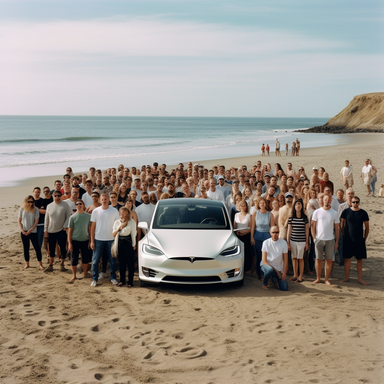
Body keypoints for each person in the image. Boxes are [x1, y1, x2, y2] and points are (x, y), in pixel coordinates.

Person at [90, 193, 120, 287]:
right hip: (98, 239)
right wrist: (91, 241)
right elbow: (92, 227)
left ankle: (113, 277)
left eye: (106, 199)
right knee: (95, 261)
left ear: (108, 199)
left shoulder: (114, 211)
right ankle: (95, 278)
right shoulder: (95, 211)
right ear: (100, 200)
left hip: (111, 239)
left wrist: (116, 239)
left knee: (112, 260)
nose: (104, 200)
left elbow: (117, 226)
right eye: (102, 199)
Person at [340, 196, 369, 285]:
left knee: (359, 260)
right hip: (348, 239)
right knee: (347, 259)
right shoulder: (346, 212)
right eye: (353, 202)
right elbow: (342, 225)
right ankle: (346, 277)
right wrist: (345, 234)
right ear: (351, 202)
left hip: (359, 240)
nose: (355, 204)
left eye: (357, 202)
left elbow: (367, 227)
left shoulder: (363, 213)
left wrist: (364, 238)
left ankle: (360, 279)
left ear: (359, 202)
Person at [311, 195, 339, 286]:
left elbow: (337, 229)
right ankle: (318, 278)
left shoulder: (334, 213)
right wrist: (314, 238)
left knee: (329, 260)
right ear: (323, 200)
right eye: (325, 199)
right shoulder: (317, 212)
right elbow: (313, 226)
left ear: (331, 200)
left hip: (330, 239)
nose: (327, 201)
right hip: (319, 239)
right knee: (318, 259)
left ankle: (326, 279)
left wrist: (337, 242)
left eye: (329, 199)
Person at [44, 190, 72, 272]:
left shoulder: (65, 205)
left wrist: (65, 226)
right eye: (55, 195)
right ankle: (50, 265)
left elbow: (68, 216)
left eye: (59, 195)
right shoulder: (49, 206)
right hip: (51, 231)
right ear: (52, 196)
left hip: (61, 231)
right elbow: (47, 219)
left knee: (63, 248)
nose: (57, 197)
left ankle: (62, 264)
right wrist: (46, 230)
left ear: (61, 196)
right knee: (51, 249)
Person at [67, 199, 92, 282]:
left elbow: (89, 229)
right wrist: (69, 243)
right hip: (75, 241)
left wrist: (90, 241)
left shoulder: (88, 216)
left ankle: (85, 273)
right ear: (75, 206)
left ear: (83, 205)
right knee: (74, 259)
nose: (79, 205)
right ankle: (74, 275)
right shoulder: (72, 217)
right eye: (77, 204)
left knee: (85, 258)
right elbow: (70, 231)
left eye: (80, 204)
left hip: (85, 240)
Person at [250, 197, 275, 279]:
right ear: (258, 204)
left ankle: (267, 274)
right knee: (259, 256)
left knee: (267, 256)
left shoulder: (270, 214)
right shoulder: (255, 213)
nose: (262, 204)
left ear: (266, 204)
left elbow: (272, 228)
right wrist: (251, 238)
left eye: (263, 203)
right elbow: (253, 227)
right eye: (261, 203)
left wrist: (273, 239)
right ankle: (259, 274)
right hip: (257, 236)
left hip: (267, 237)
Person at [112, 207, 137, 287]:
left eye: (124, 213)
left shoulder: (131, 222)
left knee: (130, 263)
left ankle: (130, 281)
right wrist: (120, 227)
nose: (122, 214)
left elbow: (133, 233)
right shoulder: (117, 222)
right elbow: (113, 234)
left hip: (128, 242)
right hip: (120, 242)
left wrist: (134, 244)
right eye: (121, 213)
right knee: (121, 262)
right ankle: (122, 280)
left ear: (127, 214)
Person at [18, 195, 43, 270]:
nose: (30, 203)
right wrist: (22, 230)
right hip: (24, 231)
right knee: (26, 248)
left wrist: (31, 229)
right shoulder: (22, 209)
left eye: (32, 202)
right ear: (26, 201)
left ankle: (40, 264)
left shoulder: (36, 209)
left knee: (37, 248)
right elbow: (19, 221)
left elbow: (36, 221)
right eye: (28, 201)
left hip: (33, 231)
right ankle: (27, 263)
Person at [287, 199, 309, 283]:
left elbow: (307, 230)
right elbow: (289, 230)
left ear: (302, 206)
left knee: (300, 258)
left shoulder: (305, 217)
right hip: (293, 240)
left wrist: (307, 242)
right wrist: (288, 242)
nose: (298, 206)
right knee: (294, 258)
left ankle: (300, 276)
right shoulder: (291, 217)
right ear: (294, 206)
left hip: (302, 241)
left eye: (299, 204)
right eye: (296, 204)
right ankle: (295, 274)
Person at [260, 226, 288, 291]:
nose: (275, 234)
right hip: (267, 265)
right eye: (273, 232)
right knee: (269, 270)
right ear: (270, 233)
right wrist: (277, 272)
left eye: (277, 232)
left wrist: (284, 273)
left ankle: (273, 278)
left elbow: (285, 260)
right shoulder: (266, 242)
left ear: (279, 233)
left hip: (278, 267)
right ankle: (265, 283)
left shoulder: (283, 243)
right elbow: (264, 261)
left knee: (284, 288)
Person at [234, 201, 254, 274]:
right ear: (239, 206)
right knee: (238, 252)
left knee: (246, 252)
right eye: (241, 205)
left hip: (246, 235)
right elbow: (235, 226)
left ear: (246, 206)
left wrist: (244, 232)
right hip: (238, 236)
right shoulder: (236, 215)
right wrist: (237, 232)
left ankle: (247, 268)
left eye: (244, 205)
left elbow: (251, 227)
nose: (243, 207)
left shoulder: (249, 215)